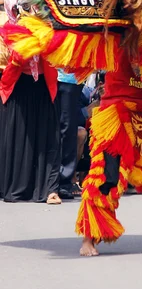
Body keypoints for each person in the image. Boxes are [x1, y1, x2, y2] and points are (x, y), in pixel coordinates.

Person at [0, 0, 61, 204]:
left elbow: (54, 51)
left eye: (28, 6)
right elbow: (12, 60)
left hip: (43, 87)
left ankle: (49, 190)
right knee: (19, 137)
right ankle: (17, 187)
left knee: (49, 137)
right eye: (20, 7)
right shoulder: (7, 30)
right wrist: (24, 47)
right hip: (19, 88)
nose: (26, 11)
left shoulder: (44, 28)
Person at [56, 70, 84, 199]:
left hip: (69, 78)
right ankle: (46, 180)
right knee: (47, 128)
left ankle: (64, 181)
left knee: (68, 128)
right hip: (46, 77)